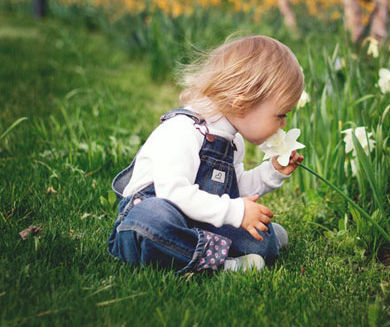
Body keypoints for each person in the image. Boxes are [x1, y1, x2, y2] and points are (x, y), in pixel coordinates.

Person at [107, 35, 304, 274]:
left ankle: (219, 246)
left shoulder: (233, 141)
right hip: (154, 218)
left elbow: (234, 189)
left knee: (262, 242)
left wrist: (272, 172)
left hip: (197, 219)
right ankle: (222, 264)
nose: (283, 124)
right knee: (152, 221)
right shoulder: (183, 130)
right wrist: (235, 212)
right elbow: (174, 193)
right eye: (280, 114)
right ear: (243, 102)